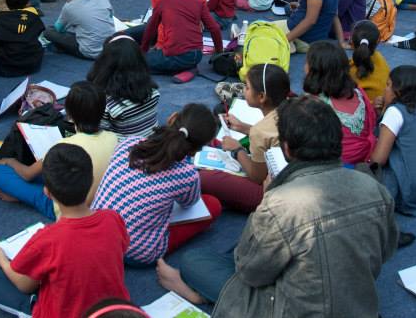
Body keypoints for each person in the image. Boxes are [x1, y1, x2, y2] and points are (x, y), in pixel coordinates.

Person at [156, 96, 398, 317]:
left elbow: (252, 273)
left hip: (288, 308)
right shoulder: (375, 188)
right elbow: (385, 251)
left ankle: (194, 291)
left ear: (287, 149)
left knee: (194, 261)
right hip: (358, 307)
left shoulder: (279, 203)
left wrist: (267, 200)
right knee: (246, 250)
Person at [0, 144, 129, 317]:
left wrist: (1, 260)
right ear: (91, 180)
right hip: (114, 309)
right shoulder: (113, 218)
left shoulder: (47, 239)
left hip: (64, 312)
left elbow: (24, 284)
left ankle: (28, 306)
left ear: (47, 192)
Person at [91, 103, 223, 266]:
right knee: (213, 205)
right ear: (198, 149)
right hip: (134, 252)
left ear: (172, 118)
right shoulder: (187, 175)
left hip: (96, 233)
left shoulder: (130, 143)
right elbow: (189, 204)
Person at [0, 81, 118, 218]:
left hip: (67, 207)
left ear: (69, 113)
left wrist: (9, 161)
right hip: (98, 199)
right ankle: (24, 192)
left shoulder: (64, 145)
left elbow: (27, 174)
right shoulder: (114, 138)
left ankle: (24, 196)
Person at [201, 63, 290, 212]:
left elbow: (257, 176)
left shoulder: (260, 131)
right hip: (301, 179)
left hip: (276, 194)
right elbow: (273, 136)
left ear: (261, 97)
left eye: (247, 87)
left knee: (205, 178)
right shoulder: (292, 108)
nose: (243, 90)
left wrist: (237, 150)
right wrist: (243, 127)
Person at [369, 65, 416, 216]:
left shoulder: (395, 112)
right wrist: (381, 112)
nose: (385, 89)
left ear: (399, 91)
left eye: (388, 85)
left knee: (354, 172)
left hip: (404, 190)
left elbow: (378, 160)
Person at [303, 41, 377, 164]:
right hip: (365, 157)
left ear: (315, 70)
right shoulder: (358, 92)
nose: (304, 66)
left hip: (335, 166)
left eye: (306, 63)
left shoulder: (314, 104)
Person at [141, 0, 222, 79]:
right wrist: (219, 51)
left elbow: (150, 30)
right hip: (196, 56)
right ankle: (188, 68)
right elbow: (214, 28)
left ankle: (184, 69)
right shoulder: (199, 3)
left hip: (174, 55)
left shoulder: (163, 2)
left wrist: (143, 51)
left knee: (137, 64)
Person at [87, 35, 160, 137]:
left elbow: (98, 134)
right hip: (150, 143)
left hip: (123, 150)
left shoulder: (108, 104)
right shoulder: (153, 91)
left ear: (106, 63)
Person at [44, 0, 115, 60]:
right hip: (109, 48)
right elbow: (110, 16)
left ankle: (60, 47)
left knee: (48, 31)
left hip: (88, 52)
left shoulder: (70, 6)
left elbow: (58, 29)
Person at [349, 20, 390, 104]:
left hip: (365, 112)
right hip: (382, 109)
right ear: (378, 42)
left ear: (351, 42)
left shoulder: (349, 71)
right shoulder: (380, 58)